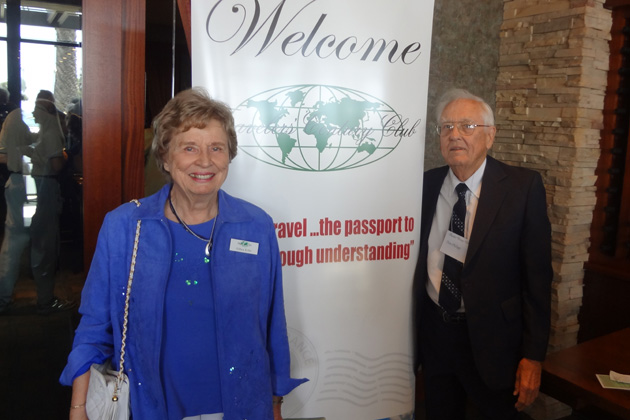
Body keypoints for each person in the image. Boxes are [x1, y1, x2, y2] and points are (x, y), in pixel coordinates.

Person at [60, 88, 307, 420]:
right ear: (165, 156)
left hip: (241, 407)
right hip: (151, 408)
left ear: (229, 156)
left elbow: (271, 325)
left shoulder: (255, 226)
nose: (205, 161)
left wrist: (275, 405)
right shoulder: (125, 227)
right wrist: (79, 408)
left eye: (216, 148)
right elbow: (94, 326)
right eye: (189, 148)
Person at [413, 88, 552, 419]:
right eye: (446, 127)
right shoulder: (424, 185)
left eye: (467, 126)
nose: (455, 135)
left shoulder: (522, 188)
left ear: (490, 136)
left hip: (494, 341)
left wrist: (533, 357)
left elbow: (538, 280)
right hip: (436, 334)